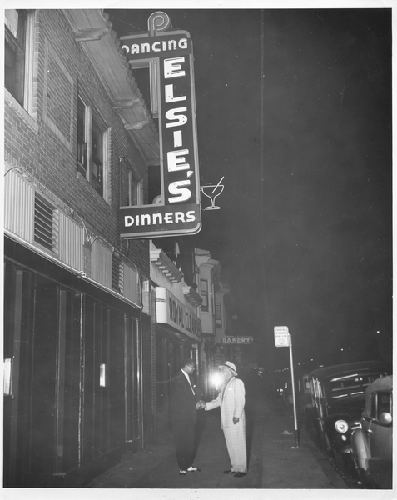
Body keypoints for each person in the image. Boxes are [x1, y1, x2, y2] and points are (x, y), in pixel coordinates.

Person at [203, 361, 247, 477]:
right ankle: (234, 467)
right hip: (226, 421)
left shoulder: (237, 382)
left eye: (223, 370)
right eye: (221, 370)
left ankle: (241, 469)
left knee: (238, 444)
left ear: (231, 371)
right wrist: (206, 405)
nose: (222, 372)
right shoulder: (224, 386)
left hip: (235, 420)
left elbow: (240, 401)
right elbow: (218, 401)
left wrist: (237, 416)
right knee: (230, 444)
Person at [170, 358, 202, 475]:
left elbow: (195, 391)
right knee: (181, 442)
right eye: (192, 367)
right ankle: (182, 467)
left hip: (189, 415)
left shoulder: (190, 377)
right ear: (187, 366)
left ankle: (188, 464)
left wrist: (199, 400)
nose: (194, 369)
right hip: (180, 416)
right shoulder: (177, 377)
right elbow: (182, 397)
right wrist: (195, 404)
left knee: (190, 441)